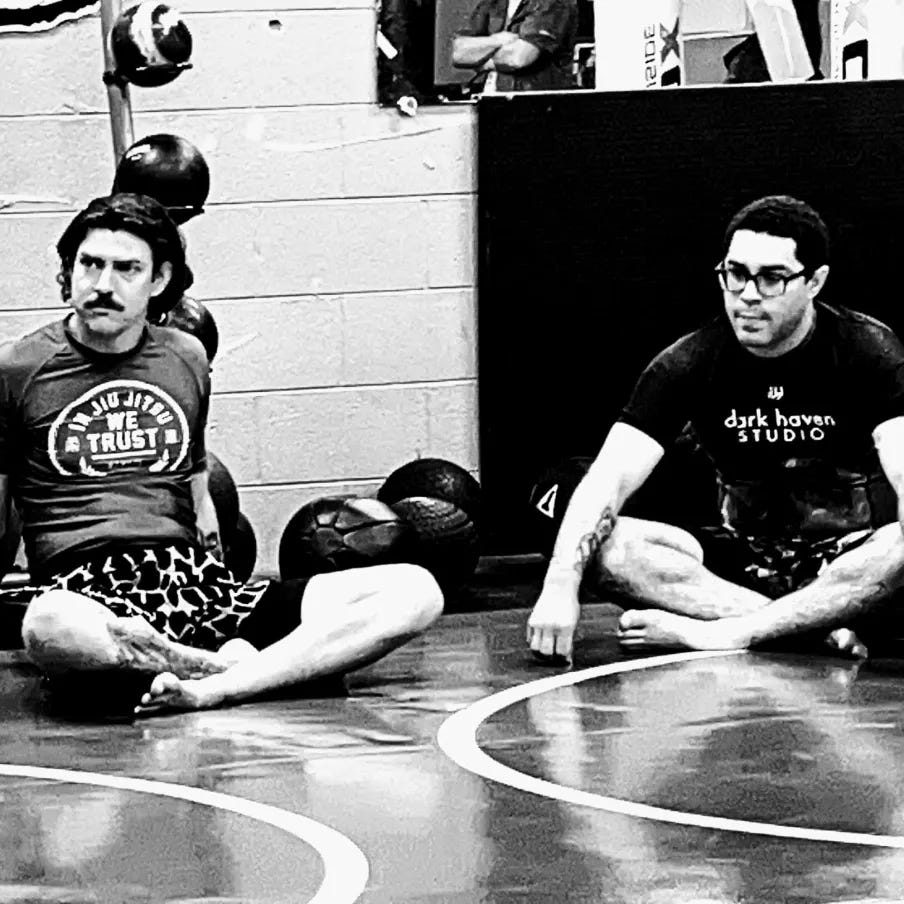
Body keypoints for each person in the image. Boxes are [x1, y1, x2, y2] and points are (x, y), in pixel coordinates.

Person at [8, 193, 443, 713]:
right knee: (48, 624)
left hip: (191, 581)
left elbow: (196, 486)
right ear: (68, 271)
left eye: (127, 269)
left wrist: (217, 576)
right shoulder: (19, 368)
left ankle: (213, 687)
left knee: (416, 590)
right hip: (85, 589)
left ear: (160, 280)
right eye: (90, 264)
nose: (103, 284)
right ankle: (228, 667)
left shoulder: (184, 357)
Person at [527, 194, 904, 661]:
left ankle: (734, 632)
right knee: (609, 547)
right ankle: (808, 631)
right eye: (735, 274)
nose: (748, 294)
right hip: (741, 573)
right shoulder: (688, 362)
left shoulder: (868, 353)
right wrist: (559, 585)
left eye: (772, 278)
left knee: (900, 544)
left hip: (849, 569)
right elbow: (610, 476)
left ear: (815, 282)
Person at [451, 0, 577, 93]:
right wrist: (497, 40)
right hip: (493, 101)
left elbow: (519, 58)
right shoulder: (491, 3)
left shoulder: (554, 3)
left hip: (536, 104)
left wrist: (482, 59)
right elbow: (459, 54)